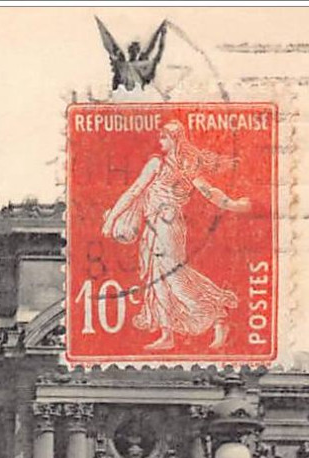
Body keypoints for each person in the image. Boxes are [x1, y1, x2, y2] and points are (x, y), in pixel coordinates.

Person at [101, 119, 251, 351]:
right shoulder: (157, 164)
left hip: (168, 227)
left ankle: (218, 314)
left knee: (173, 277)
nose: (160, 141)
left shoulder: (182, 167)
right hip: (153, 227)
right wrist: (111, 219)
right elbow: (134, 191)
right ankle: (167, 334)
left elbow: (207, 191)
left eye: (164, 137)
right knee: (155, 279)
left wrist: (233, 205)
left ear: (175, 140)